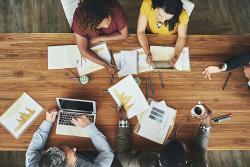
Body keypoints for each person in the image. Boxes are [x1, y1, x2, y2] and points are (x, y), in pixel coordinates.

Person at [113, 105, 211, 167]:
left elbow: (122, 155)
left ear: (159, 155)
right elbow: (200, 149)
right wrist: (206, 126)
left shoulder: (144, 164)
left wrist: (123, 120)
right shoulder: (200, 164)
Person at [26, 110, 114, 167]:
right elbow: (107, 153)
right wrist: (89, 126)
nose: (75, 148)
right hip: (92, 157)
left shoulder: (33, 165)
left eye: (61, 147)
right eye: (74, 154)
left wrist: (48, 122)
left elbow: (33, 151)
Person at [72, 0, 128, 75]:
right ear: (89, 25)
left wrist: (100, 38)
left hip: (114, 45)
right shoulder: (80, 19)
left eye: (108, 20)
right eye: (100, 26)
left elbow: (124, 35)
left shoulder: (113, 7)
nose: (107, 26)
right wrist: (106, 65)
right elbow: (83, 51)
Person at [137, 0, 189, 65]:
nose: (162, 21)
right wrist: (148, 53)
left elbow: (181, 37)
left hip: (171, 38)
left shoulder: (182, 15)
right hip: (150, 34)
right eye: (160, 15)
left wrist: (176, 56)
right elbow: (141, 31)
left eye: (167, 19)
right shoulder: (147, 4)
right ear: (156, 6)